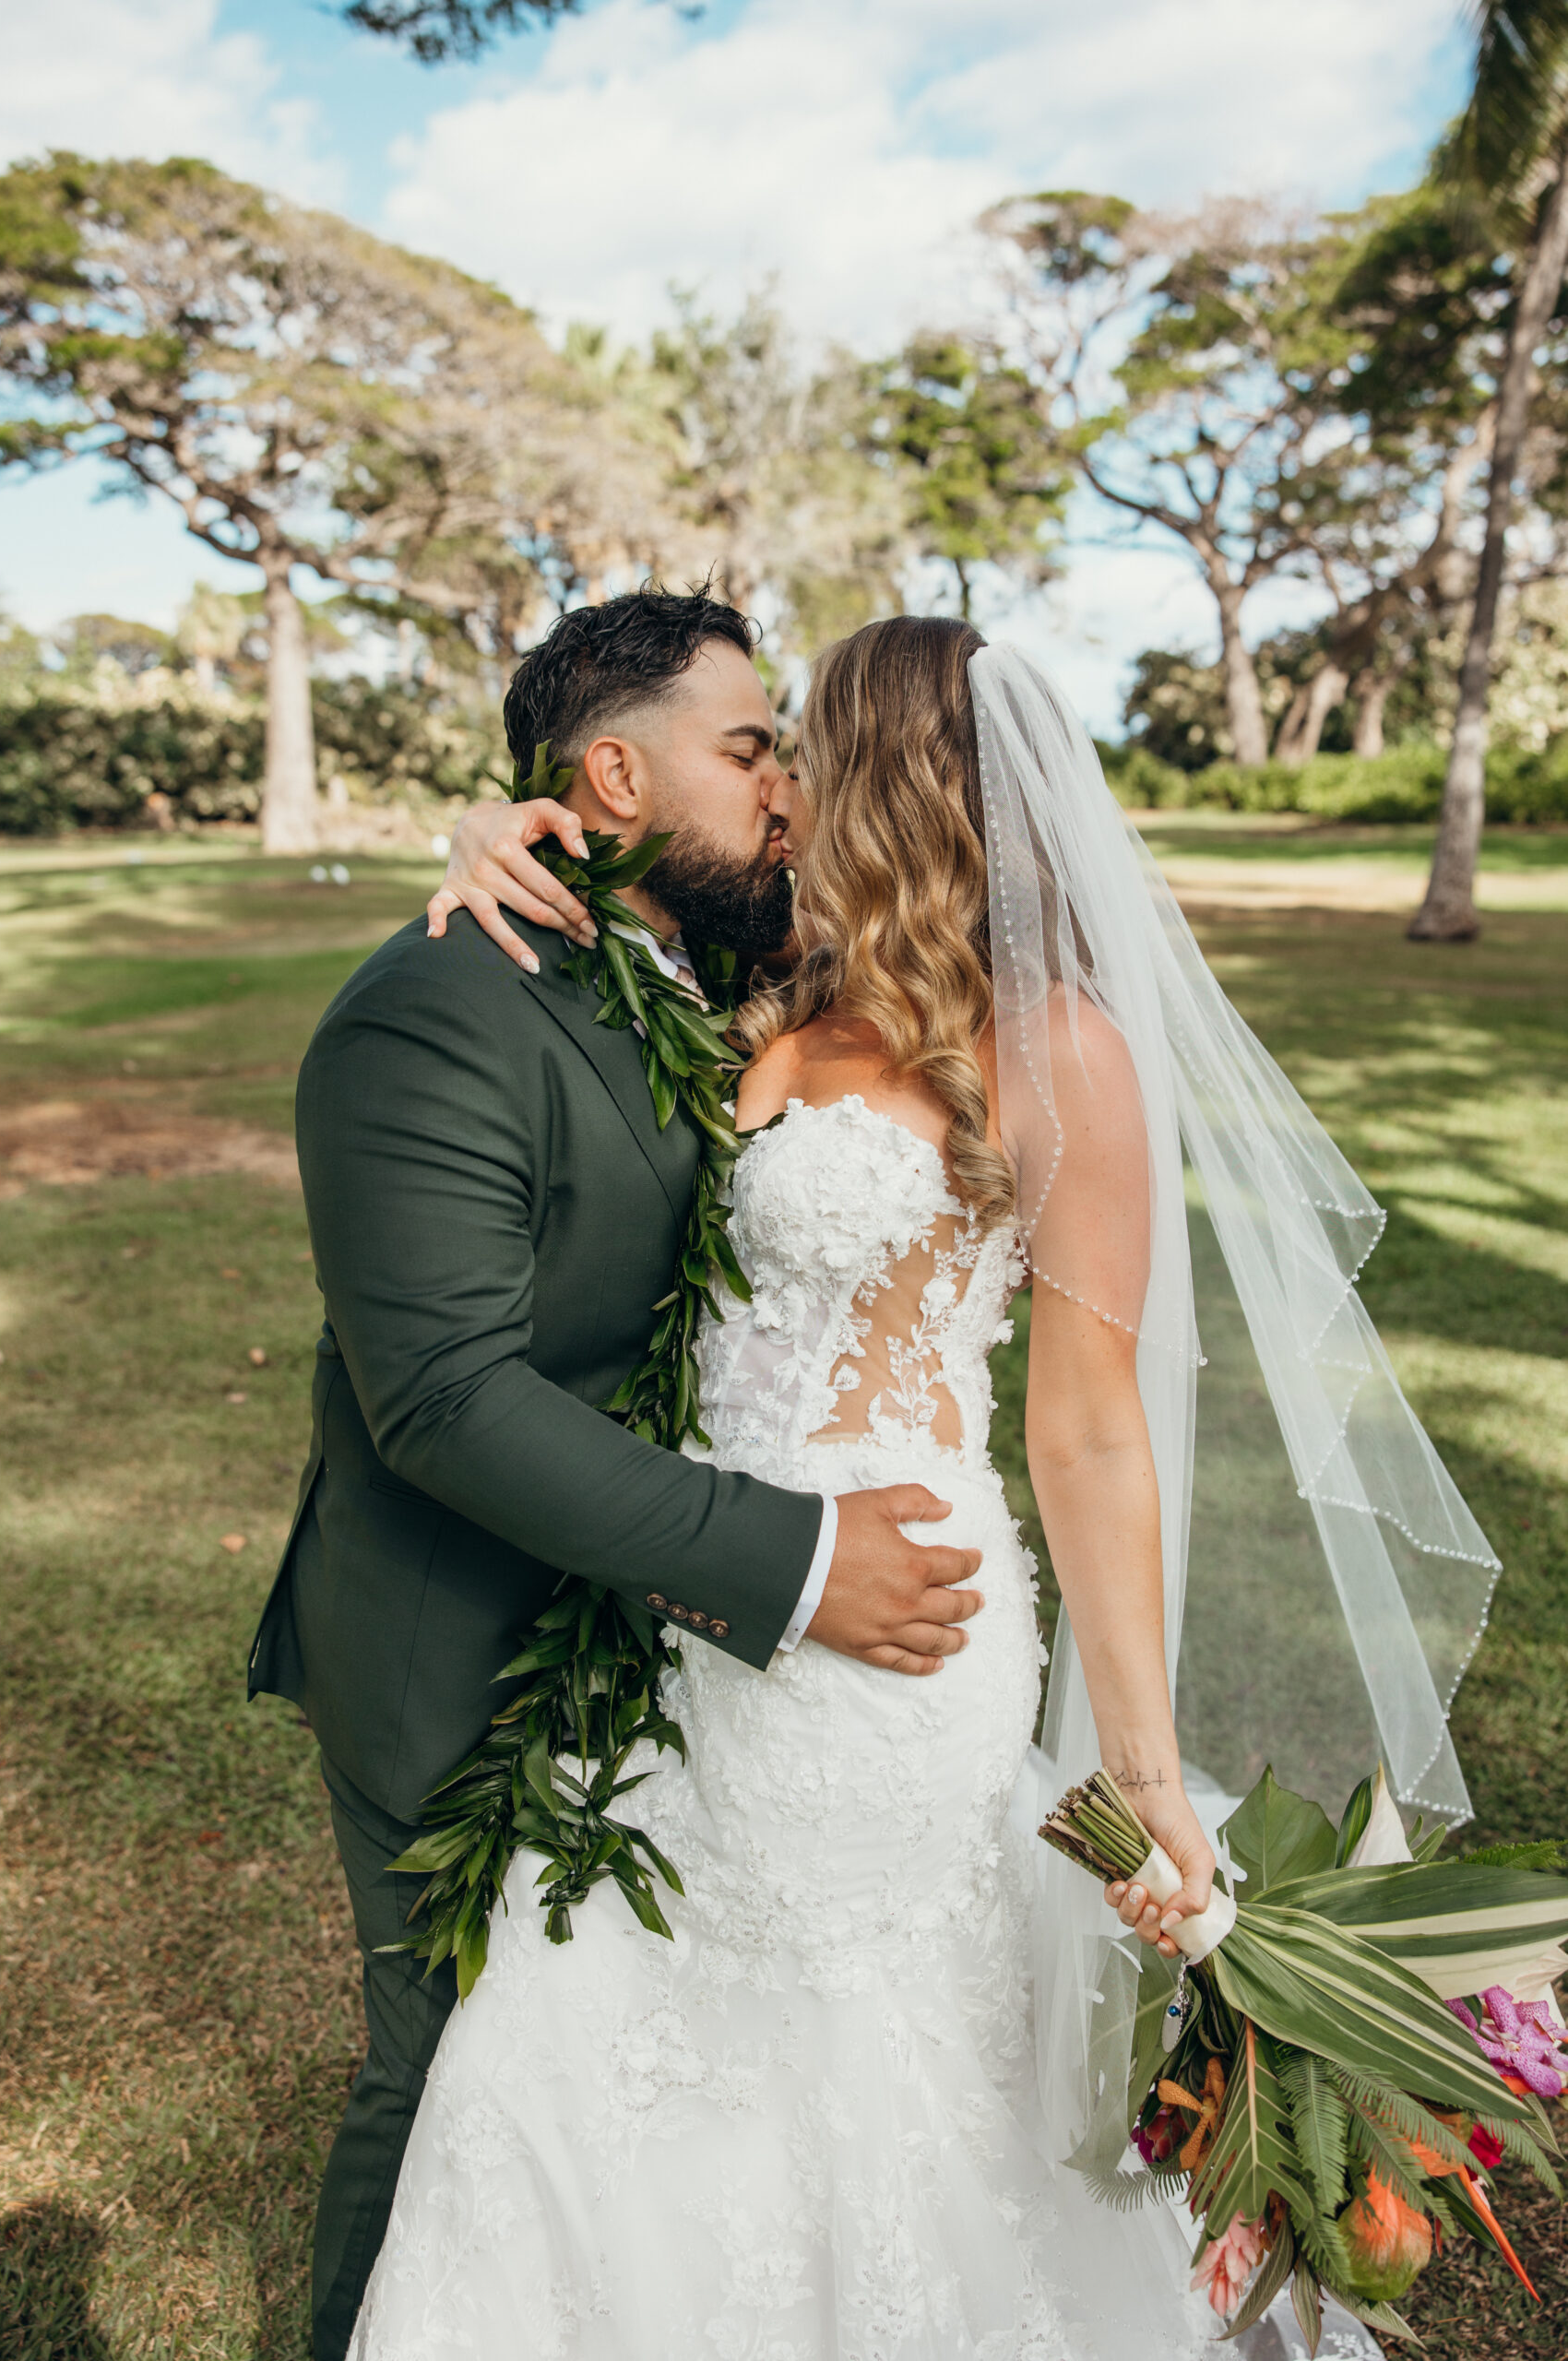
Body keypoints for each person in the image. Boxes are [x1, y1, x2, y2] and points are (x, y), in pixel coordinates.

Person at [347, 608, 1488, 2361]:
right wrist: (492, 826)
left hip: (895, 1636)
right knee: (610, 2026)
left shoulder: (1063, 1051)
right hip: (683, 1617)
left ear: (891, 775)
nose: (780, 781)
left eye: (799, 746)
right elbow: (615, 944)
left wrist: (1143, 1762)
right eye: (758, 749)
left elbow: (1091, 1425)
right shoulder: (783, 984)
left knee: (879, 2064)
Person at [248, 592, 1025, 2361]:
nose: (788, 792)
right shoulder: (436, 1009)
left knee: (643, 2092)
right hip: (461, 1631)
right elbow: (440, 1396)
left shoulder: (724, 972)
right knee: (460, 2082)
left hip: (661, 1646)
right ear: (613, 774)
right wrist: (795, 1560)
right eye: (753, 751)